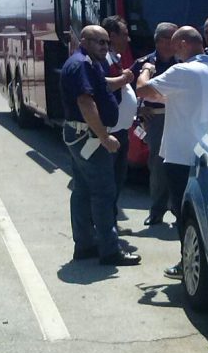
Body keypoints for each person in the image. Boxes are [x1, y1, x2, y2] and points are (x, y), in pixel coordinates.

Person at [135, 26, 208, 280]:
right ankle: (201, 262)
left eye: (176, 47)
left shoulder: (183, 71)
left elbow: (143, 90)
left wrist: (146, 70)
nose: (173, 53)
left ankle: (188, 264)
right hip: (204, 153)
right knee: (201, 213)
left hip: (180, 156)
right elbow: (180, 99)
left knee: (182, 214)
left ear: (184, 44)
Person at [60, 25, 140, 266]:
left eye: (106, 42)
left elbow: (101, 87)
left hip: (82, 136)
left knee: (84, 190)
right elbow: (86, 102)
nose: (104, 46)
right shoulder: (82, 63)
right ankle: (109, 250)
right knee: (104, 192)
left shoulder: (89, 63)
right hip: (89, 138)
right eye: (98, 42)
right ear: (83, 41)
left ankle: (85, 245)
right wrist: (104, 137)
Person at [130, 22, 179, 226]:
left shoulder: (183, 63)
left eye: (175, 38)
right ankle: (157, 211)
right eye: (169, 39)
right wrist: (138, 109)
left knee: (181, 164)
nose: (173, 43)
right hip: (157, 119)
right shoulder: (145, 64)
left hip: (181, 117)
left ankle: (179, 211)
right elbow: (126, 90)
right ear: (158, 41)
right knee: (158, 166)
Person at [101, 15, 138, 235]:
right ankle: (106, 229)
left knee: (116, 182)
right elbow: (101, 85)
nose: (129, 38)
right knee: (108, 183)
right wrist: (124, 79)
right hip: (111, 133)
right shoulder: (104, 59)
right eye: (124, 34)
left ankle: (111, 224)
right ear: (112, 35)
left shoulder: (115, 57)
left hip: (121, 131)